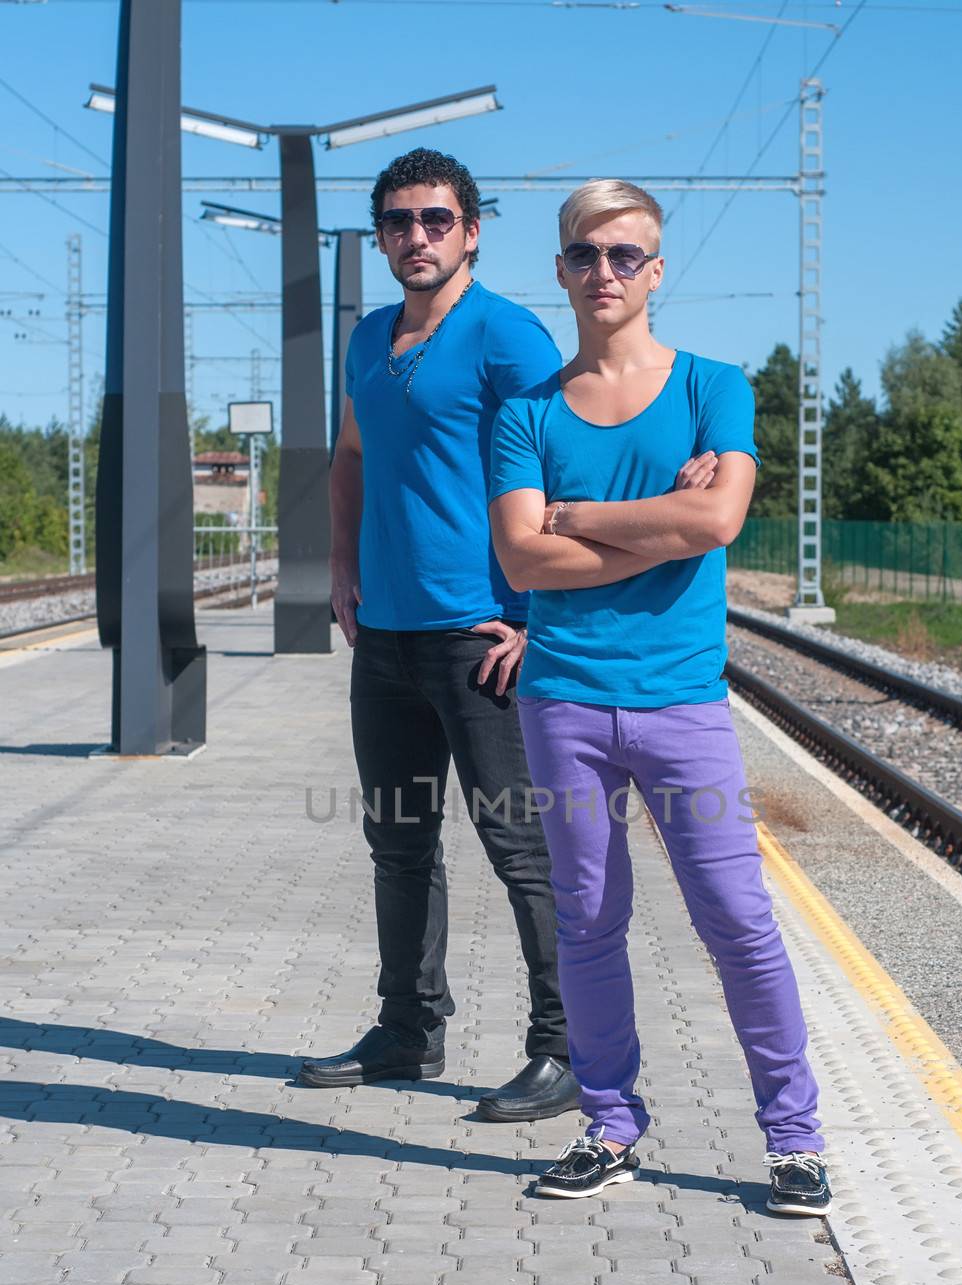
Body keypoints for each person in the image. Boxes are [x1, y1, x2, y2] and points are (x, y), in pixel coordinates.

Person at [487, 178, 831, 1214]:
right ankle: (609, 1122)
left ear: (655, 269)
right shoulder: (526, 412)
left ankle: (795, 1138)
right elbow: (521, 557)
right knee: (588, 918)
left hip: (683, 700)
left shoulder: (714, 386)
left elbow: (717, 524)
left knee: (736, 918)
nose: (604, 272)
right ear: (559, 269)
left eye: (624, 255)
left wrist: (580, 514)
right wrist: (651, 521)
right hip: (564, 701)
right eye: (586, 254)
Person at [298, 147, 580, 1124]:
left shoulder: (508, 335)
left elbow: (566, 465)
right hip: (385, 642)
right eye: (398, 222)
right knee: (397, 841)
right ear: (379, 235)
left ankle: (565, 1045)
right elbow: (350, 456)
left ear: (469, 230)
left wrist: (542, 619)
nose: (416, 237)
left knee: (521, 846)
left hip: (481, 639)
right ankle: (408, 1029)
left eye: (435, 220)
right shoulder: (369, 339)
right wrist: (341, 565)